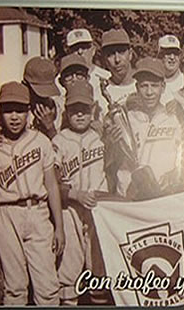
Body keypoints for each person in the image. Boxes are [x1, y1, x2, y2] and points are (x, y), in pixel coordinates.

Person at [0, 82, 64, 305]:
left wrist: (59, 227)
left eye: (20, 110)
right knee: (14, 288)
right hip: (6, 213)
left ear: (29, 111)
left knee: (48, 286)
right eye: (8, 110)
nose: (14, 117)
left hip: (37, 212)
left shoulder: (40, 141)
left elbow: (51, 185)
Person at [52, 80, 107, 305]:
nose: (80, 115)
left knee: (98, 268)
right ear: (66, 111)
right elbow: (51, 183)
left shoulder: (102, 138)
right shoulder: (59, 140)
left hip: (99, 210)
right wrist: (75, 194)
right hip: (70, 210)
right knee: (69, 269)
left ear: (93, 109)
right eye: (74, 110)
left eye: (85, 109)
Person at [110, 57, 181, 198]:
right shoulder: (126, 119)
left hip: (163, 195)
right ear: (137, 88)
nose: (149, 92)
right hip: (129, 197)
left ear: (163, 87)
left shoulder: (175, 119)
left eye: (154, 85)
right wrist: (111, 143)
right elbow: (111, 162)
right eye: (144, 86)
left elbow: (183, 158)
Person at [66, 28, 111, 121]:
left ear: (93, 50)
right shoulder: (61, 80)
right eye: (75, 48)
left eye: (84, 47)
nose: (80, 52)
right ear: (68, 53)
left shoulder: (107, 77)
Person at [22, 56, 61, 139]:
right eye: (38, 92)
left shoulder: (61, 109)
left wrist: (50, 128)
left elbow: (65, 150)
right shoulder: (16, 109)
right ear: (25, 84)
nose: (44, 97)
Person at [100, 28, 136, 107]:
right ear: (104, 59)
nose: (117, 59)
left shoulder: (147, 85)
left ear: (130, 54)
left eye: (121, 52)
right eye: (110, 54)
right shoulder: (99, 94)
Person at [157, 34, 184, 106]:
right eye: (168, 53)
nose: (172, 57)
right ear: (160, 55)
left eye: (175, 53)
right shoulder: (153, 83)